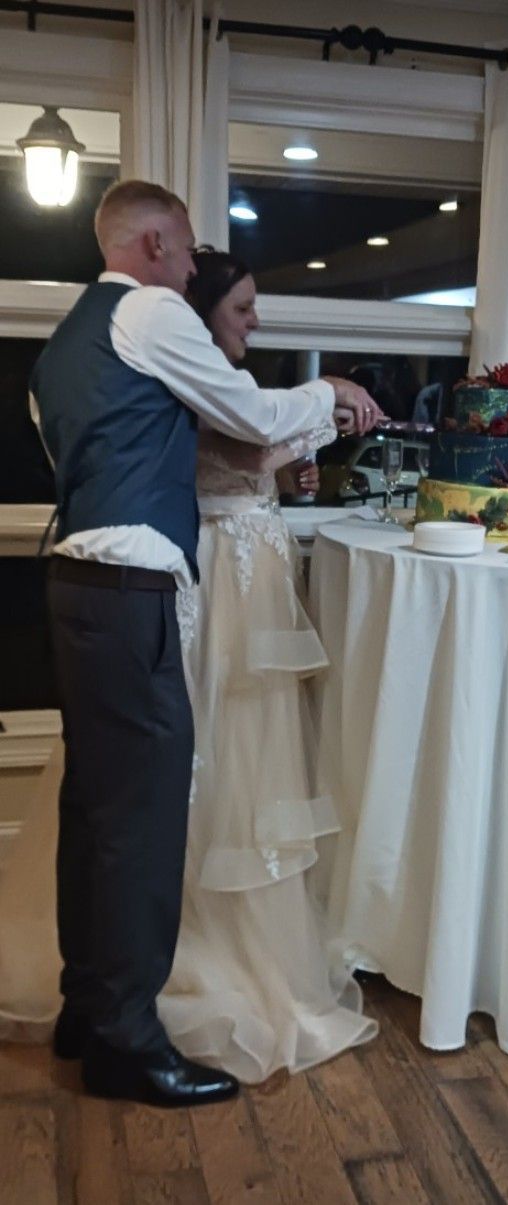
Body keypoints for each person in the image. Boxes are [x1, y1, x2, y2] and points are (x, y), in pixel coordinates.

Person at [0, 179, 381, 1108]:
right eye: (183, 245)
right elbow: (250, 416)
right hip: (129, 592)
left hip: (72, 580)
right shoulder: (151, 314)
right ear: (155, 244)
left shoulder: (61, 350)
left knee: (97, 810)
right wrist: (328, 392)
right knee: (142, 821)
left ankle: (89, 1006)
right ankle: (129, 1040)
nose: (186, 264)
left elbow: (90, 459)